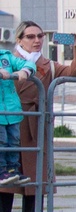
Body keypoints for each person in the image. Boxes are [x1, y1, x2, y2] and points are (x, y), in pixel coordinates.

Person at [0, 22, 76, 212]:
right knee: (5, 183)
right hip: (7, 124)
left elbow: (75, 72)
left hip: (35, 128)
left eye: (40, 35)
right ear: (19, 39)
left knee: (34, 183)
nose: (37, 40)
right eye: (30, 36)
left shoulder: (47, 65)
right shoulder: (7, 60)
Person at [0, 44, 35, 187]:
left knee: (14, 140)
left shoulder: (6, 56)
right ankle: (1, 171)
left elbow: (29, 62)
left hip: (12, 110)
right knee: (1, 141)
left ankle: (13, 169)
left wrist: (25, 71)